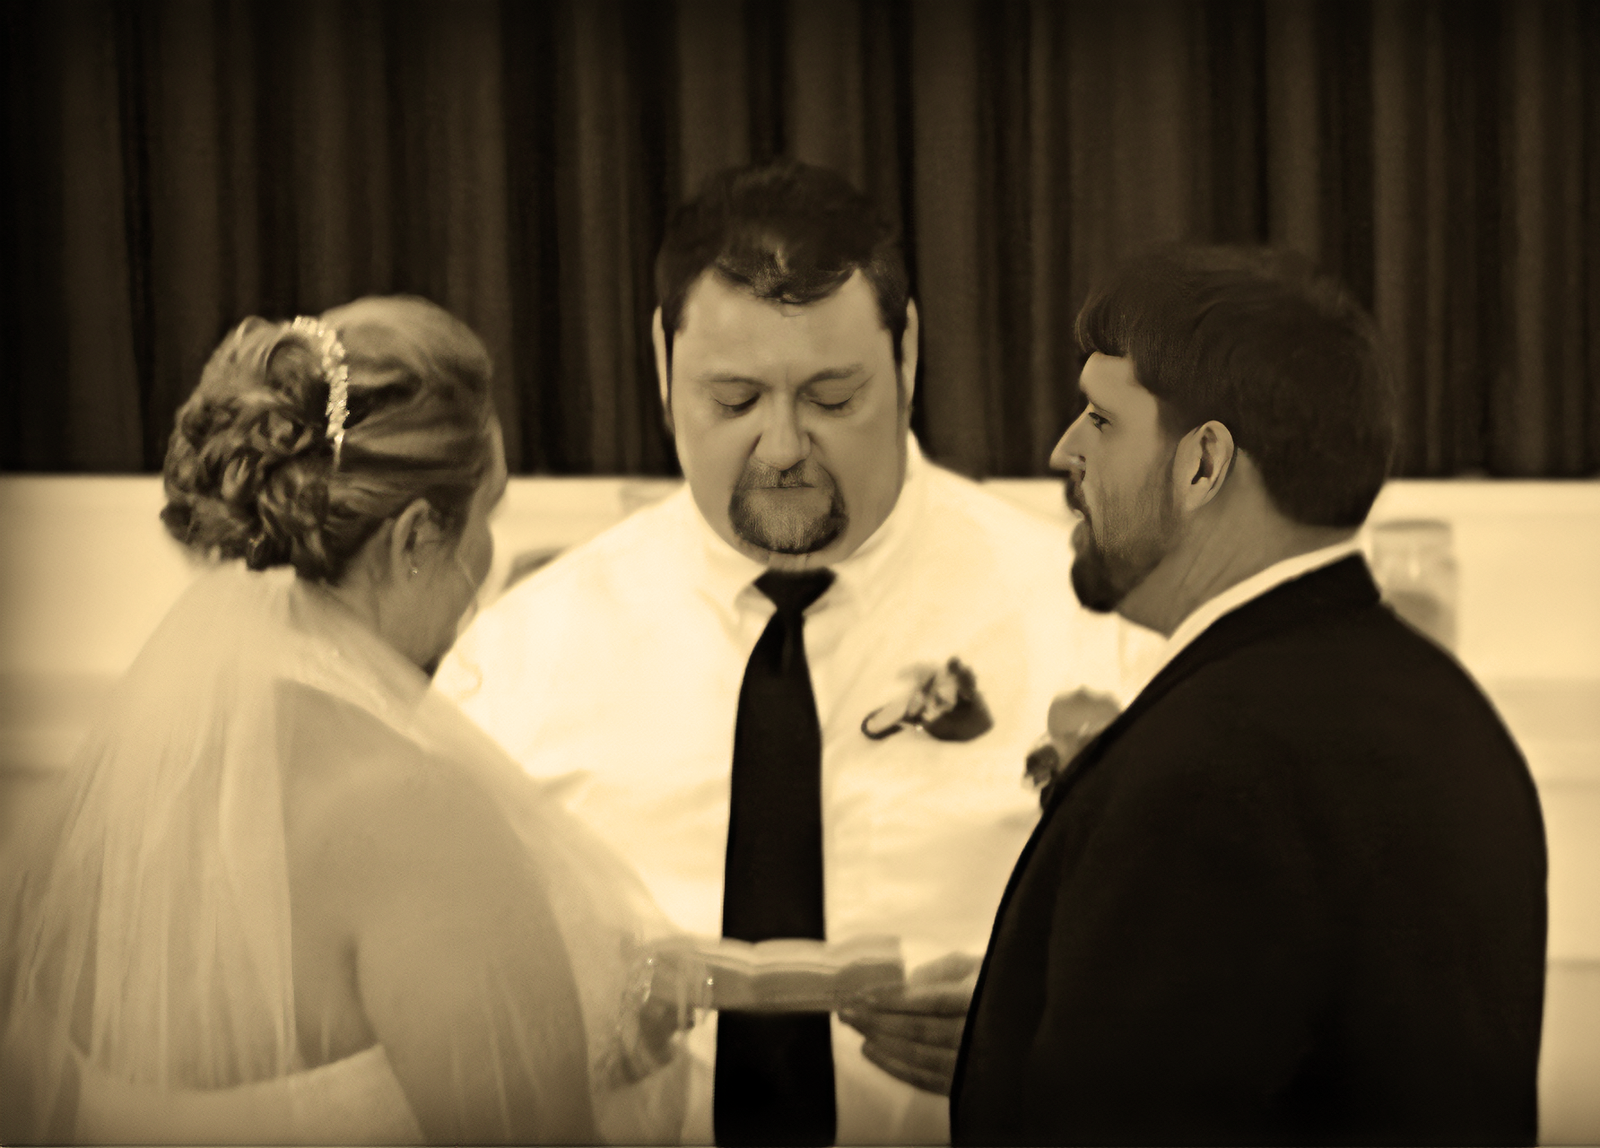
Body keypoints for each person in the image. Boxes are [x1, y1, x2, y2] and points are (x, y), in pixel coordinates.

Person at [437, 161, 1152, 1145]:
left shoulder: (1096, 624)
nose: (780, 446)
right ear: (659, 360)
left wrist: (1063, 1031)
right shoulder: (522, 652)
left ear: (907, 358)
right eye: (732, 399)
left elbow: (1225, 970)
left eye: (830, 395)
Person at [0, 297, 690, 1145]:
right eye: (490, 514)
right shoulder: (421, 826)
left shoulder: (99, 804)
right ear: (411, 538)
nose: (490, 559)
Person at [950, 246, 1548, 1146]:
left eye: (1102, 421)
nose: (1062, 449)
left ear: (1204, 464)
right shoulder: (1450, 713)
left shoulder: (1202, 775)